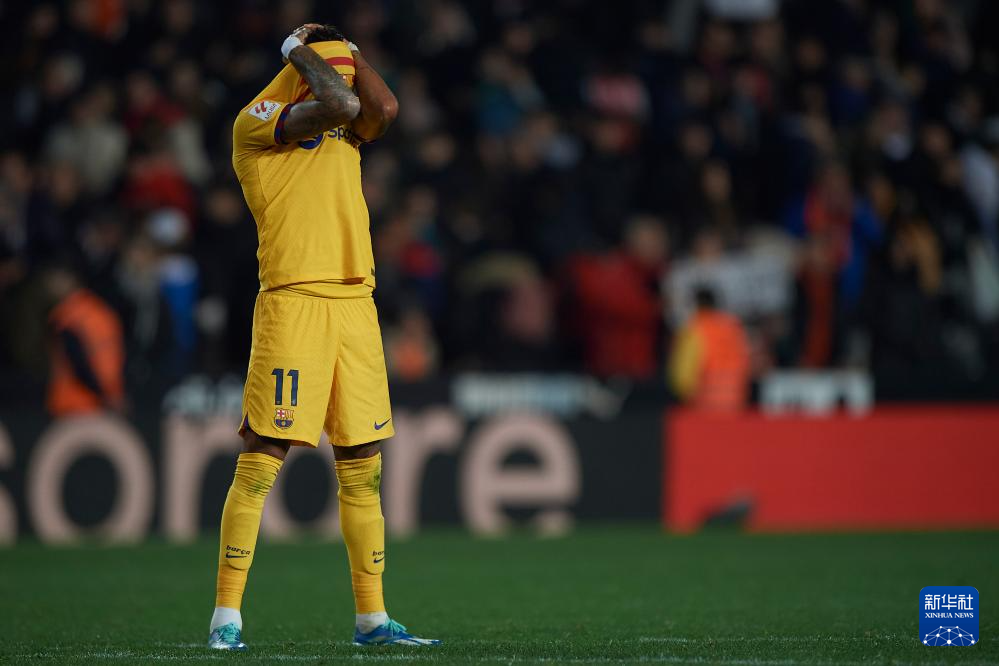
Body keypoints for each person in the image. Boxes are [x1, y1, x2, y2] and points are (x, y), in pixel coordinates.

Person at [208, 23, 438, 650]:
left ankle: (372, 620)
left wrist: (354, 50)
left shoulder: (346, 123)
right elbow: (339, 102)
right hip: (294, 301)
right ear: (305, 70)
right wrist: (296, 48)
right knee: (263, 456)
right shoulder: (256, 122)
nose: (346, 81)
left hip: (356, 302)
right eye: (336, 68)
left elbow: (384, 108)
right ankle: (226, 617)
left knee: (363, 463)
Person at [44, 263, 125, 417]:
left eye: (54, 280)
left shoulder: (68, 316)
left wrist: (103, 395)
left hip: (76, 402)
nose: (49, 287)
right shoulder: (101, 311)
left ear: (70, 279)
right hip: (108, 398)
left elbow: (78, 361)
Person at [668, 286, 751, 412]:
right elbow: (746, 361)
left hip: (704, 403)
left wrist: (681, 394)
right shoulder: (732, 327)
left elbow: (683, 375)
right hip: (736, 401)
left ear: (696, 305)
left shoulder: (695, 329)